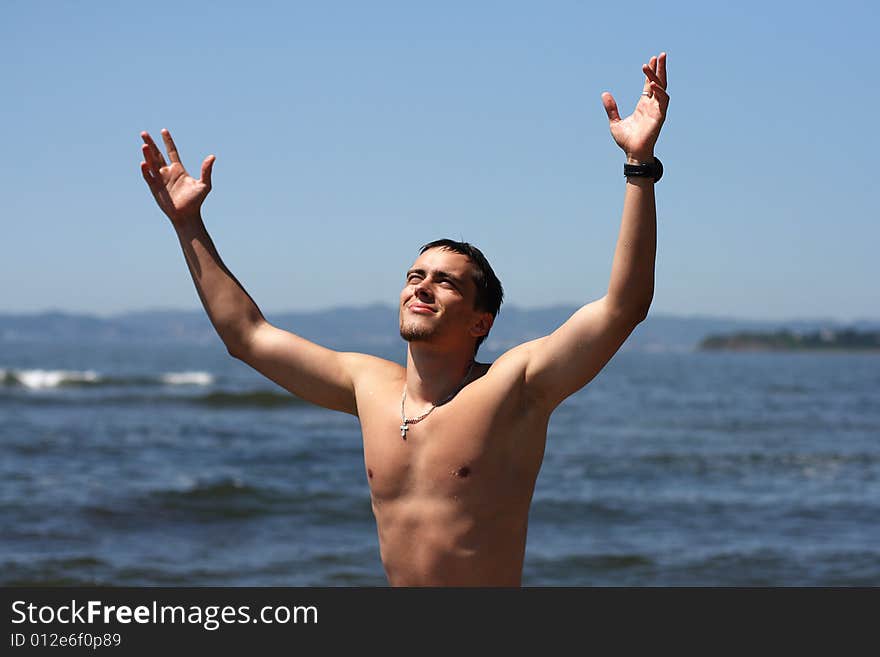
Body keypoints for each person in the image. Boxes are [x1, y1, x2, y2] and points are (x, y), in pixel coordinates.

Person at [139, 52, 669, 586]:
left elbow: (625, 307)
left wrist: (639, 167)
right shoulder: (367, 385)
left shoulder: (516, 386)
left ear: (481, 323)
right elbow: (247, 336)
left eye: (446, 281)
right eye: (415, 275)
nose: (422, 286)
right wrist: (188, 225)